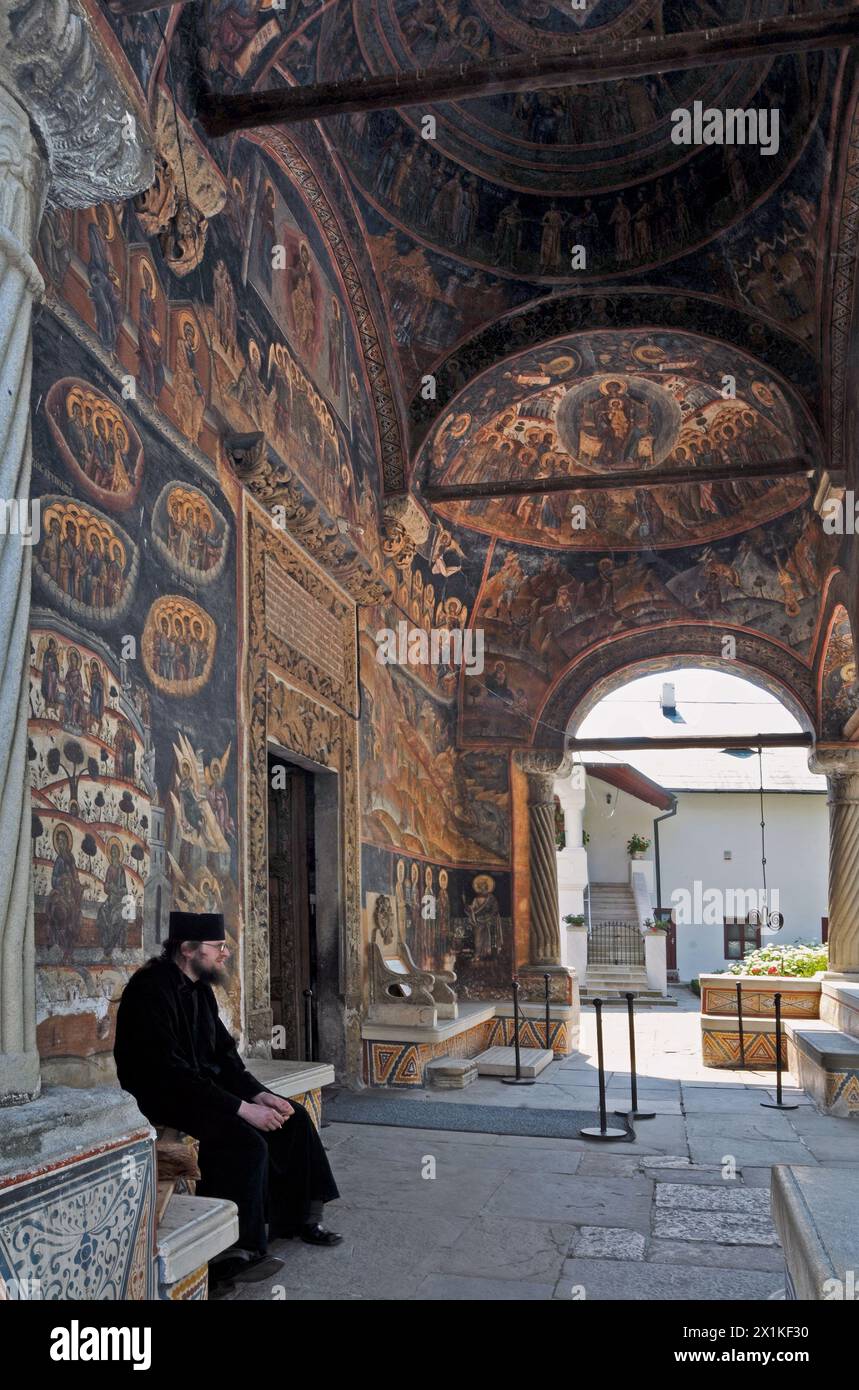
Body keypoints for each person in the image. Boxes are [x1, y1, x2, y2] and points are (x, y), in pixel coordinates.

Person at [114, 912, 342, 1288]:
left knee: (294, 1116)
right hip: (164, 1093)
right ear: (188, 949)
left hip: (202, 1086)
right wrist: (242, 1109)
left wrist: (260, 1095)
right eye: (218, 947)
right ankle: (233, 1255)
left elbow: (224, 1056)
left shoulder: (200, 989)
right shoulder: (148, 989)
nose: (224, 954)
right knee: (243, 1142)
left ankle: (302, 1217)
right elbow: (169, 1071)